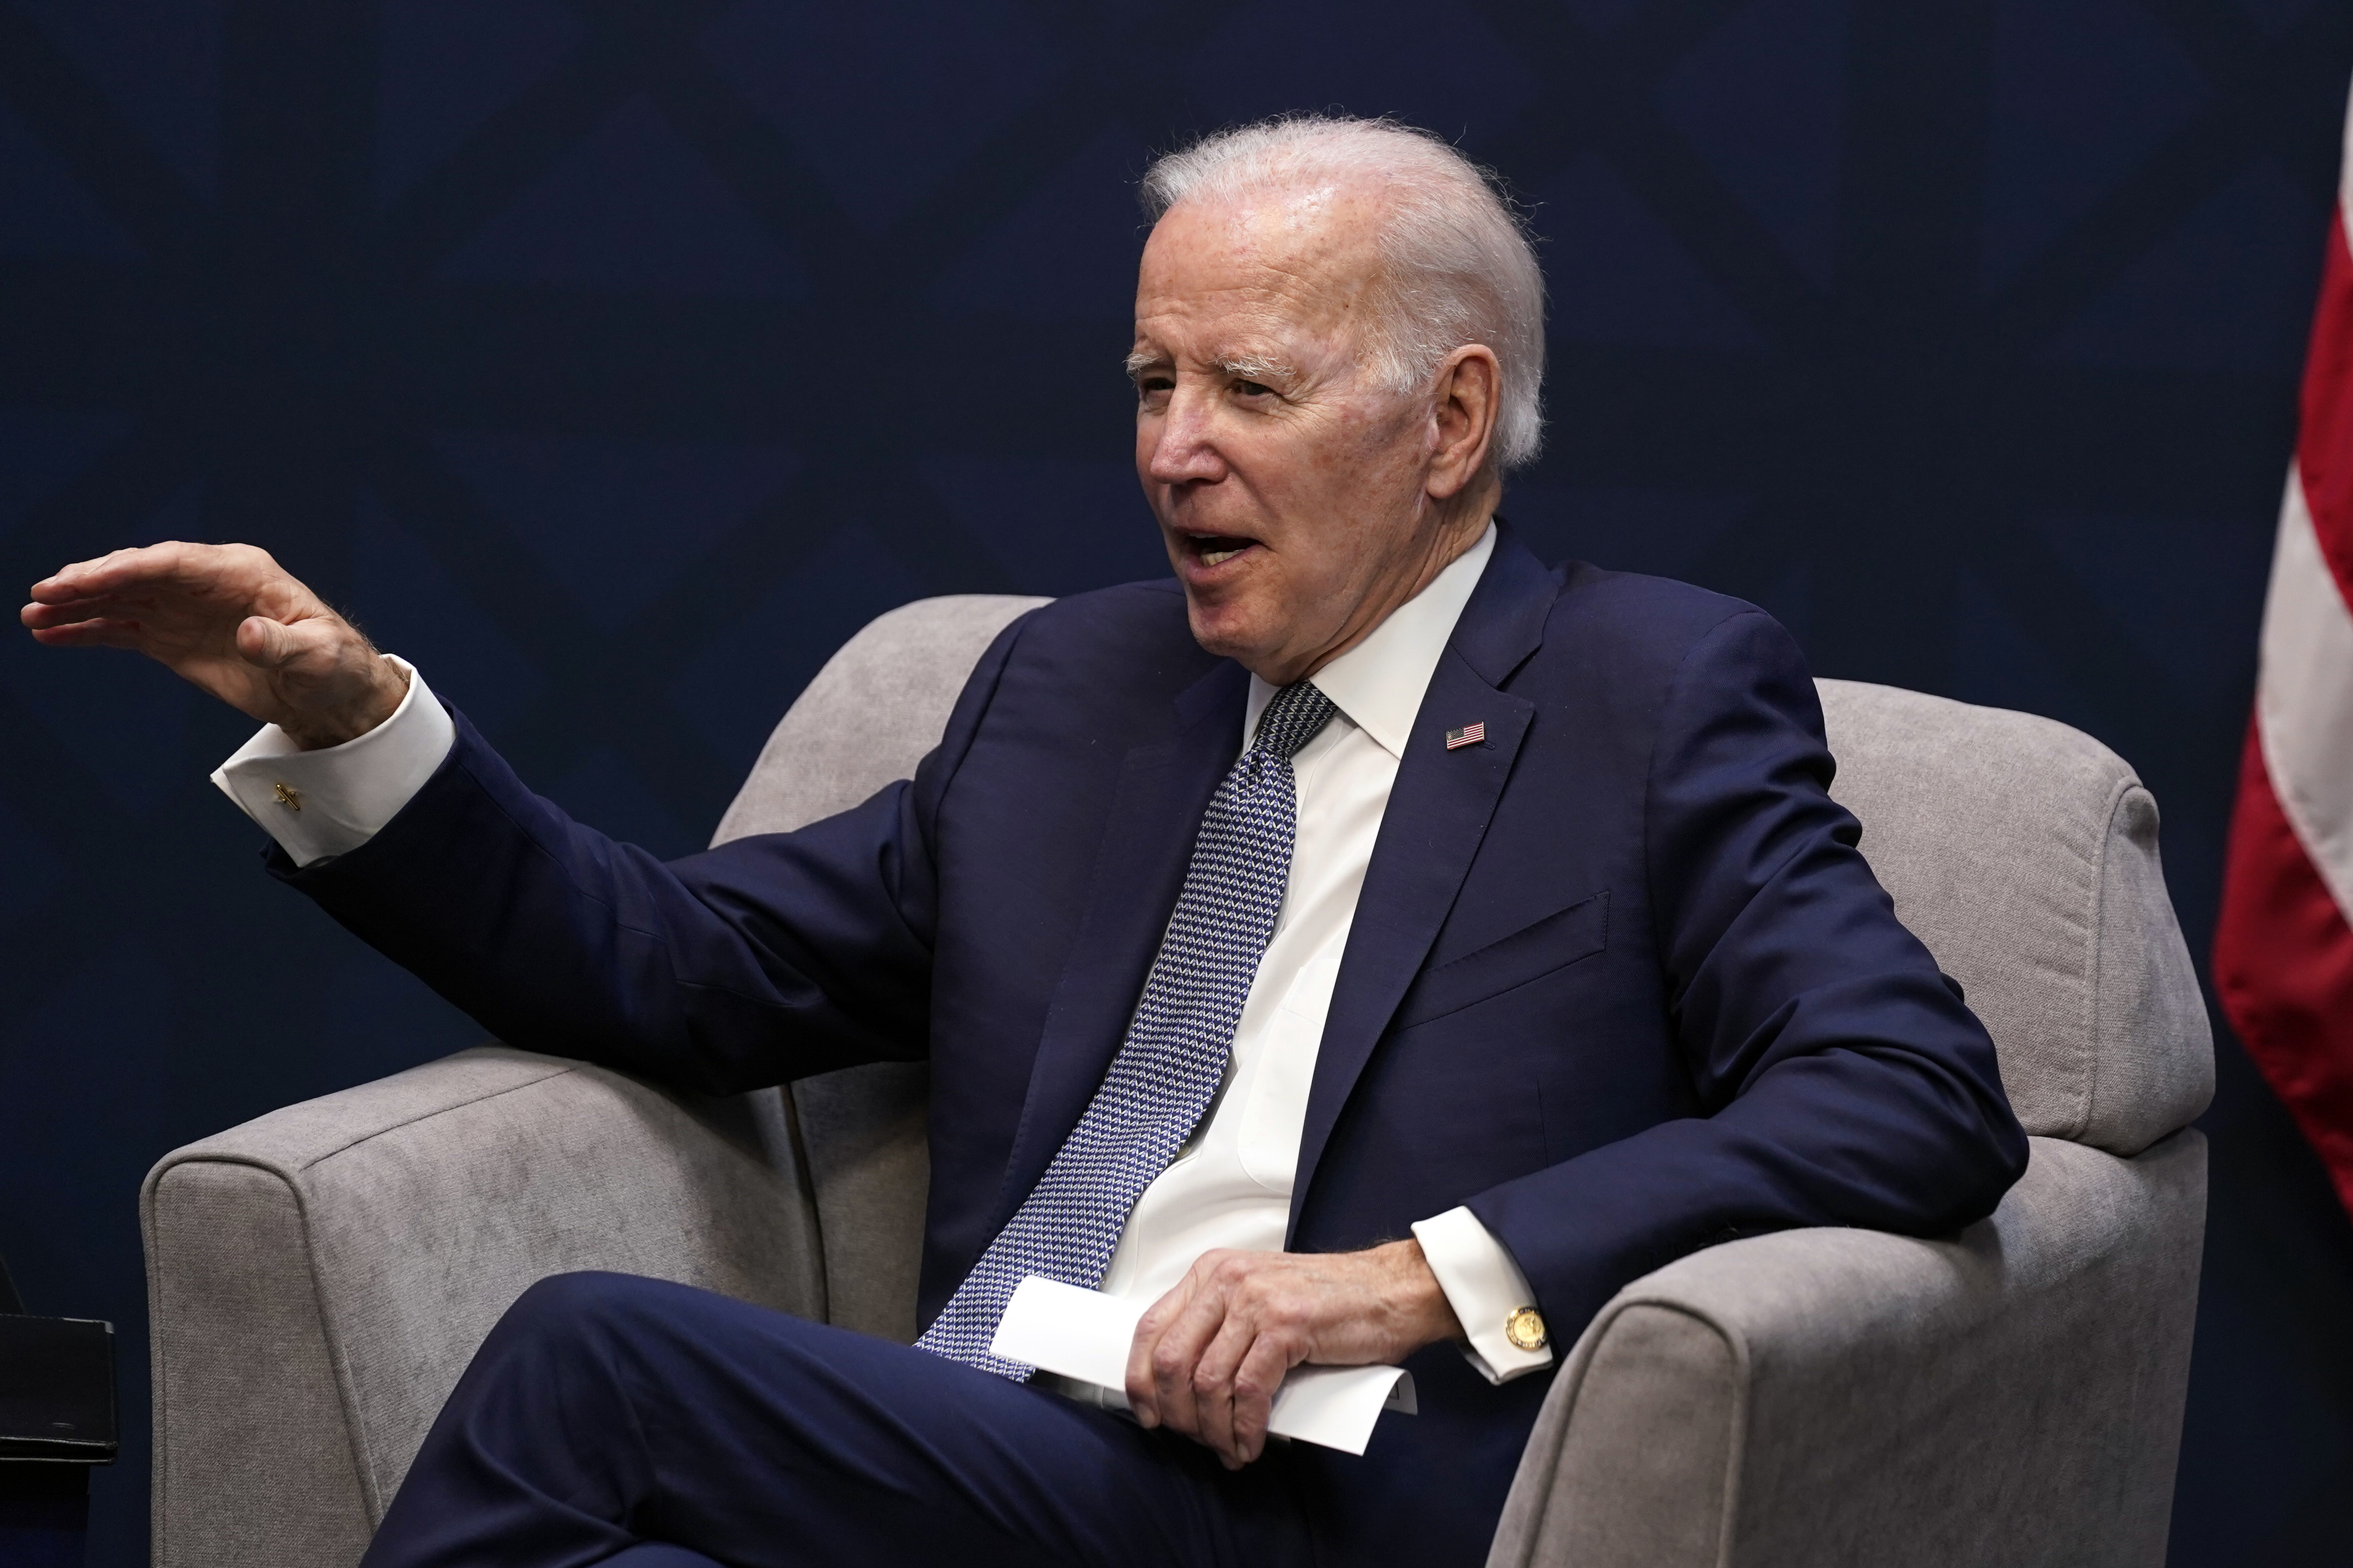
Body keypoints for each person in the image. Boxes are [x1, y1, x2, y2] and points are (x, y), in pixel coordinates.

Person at [22, 116, 2027, 1567]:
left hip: (1299, 1490)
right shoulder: (1072, 692)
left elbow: (1911, 1091)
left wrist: (1405, 1280)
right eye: (1151, 381)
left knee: (591, 1367)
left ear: (1443, 422)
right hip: (981, 1454)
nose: (1172, 446)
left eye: (1247, 383)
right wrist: (354, 722)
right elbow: (681, 968)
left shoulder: (1650, 696)